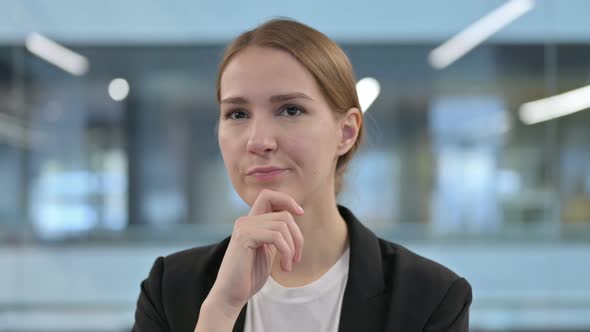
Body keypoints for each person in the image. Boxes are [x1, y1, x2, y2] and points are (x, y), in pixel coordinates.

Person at [132, 18, 472, 332]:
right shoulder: (170, 289)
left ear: (346, 132)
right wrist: (220, 309)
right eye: (237, 113)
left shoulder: (429, 297)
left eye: (291, 110)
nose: (258, 141)